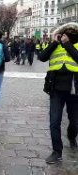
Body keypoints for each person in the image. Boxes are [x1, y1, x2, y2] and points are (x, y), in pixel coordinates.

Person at [38, 22, 78, 164]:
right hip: (56, 88)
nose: (68, 35)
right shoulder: (55, 45)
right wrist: (54, 43)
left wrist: (68, 45)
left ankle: (72, 136)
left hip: (74, 89)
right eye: (65, 32)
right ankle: (57, 151)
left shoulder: (74, 45)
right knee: (54, 121)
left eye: (72, 32)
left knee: (75, 122)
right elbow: (42, 57)